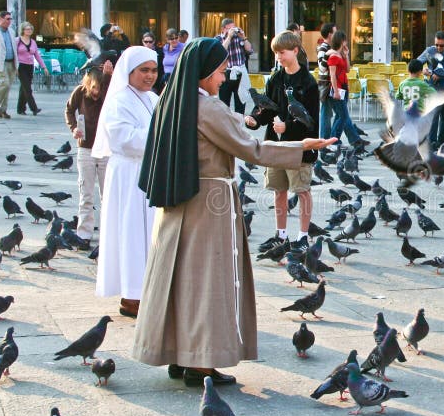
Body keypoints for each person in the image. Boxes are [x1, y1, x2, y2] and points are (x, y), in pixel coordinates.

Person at [133, 37, 334, 387]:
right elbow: (250, 148)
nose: (224, 77)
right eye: (222, 71)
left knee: (180, 279)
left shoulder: (172, 99)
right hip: (209, 201)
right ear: (206, 71)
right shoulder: (207, 108)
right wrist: (301, 149)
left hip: (179, 202)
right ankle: (201, 362)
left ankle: (179, 354)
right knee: (207, 281)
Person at [92, 46, 159, 318]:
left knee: (149, 234)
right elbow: (124, 139)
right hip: (129, 175)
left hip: (148, 172)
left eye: (153, 70)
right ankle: (131, 295)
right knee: (131, 234)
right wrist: (161, 135)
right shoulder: (119, 100)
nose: (150, 76)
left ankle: (147, 290)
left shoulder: (153, 98)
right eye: (144, 70)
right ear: (129, 72)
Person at [245, 30, 318, 243]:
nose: (278, 57)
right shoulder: (275, 78)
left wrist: (288, 128)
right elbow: (267, 107)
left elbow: (312, 121)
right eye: (276, 53)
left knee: (302, 191)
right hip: (276, 145)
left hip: (299, 146)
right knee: (279, 191)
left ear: (295, 51)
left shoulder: (308, 82)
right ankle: (281, 234)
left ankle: (304, 235)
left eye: (282, 52)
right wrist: (255, 120)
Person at [65, 56, 114, 243]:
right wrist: (73, 128)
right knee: (86, 193)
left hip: (105, 148)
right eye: (93, 88)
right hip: (85, 148)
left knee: (107, 194)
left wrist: (108, 77)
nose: (96, 92)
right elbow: (69, 110)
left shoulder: (106, 92)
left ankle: (107, 234)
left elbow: (111, 97)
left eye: (99, 88)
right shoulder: (80, 92)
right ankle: (84, 234)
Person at [418, 31, 444, 148]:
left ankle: (442, 142)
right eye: (436, 45)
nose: (438, 47)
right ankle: (432, 142)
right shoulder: (430, 50)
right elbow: (416, 63)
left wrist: (442, 73)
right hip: (433, 87)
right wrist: (423, 70)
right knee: (433, 116)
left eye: (441, 45)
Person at [327, 30, 363, 146]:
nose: (346, 42)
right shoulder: (333, 56)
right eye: (345, 40)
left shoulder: (340, 55)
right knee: (342, 115)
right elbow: (332, 75)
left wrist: (346, 55)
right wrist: (336, 90)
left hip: (344, 86)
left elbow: (348, 69)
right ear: (341, 41)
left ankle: (334, 139)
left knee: (340, 115)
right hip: (338, 87)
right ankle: (334, 139)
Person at [216, 17, 252, 113]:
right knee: (224, 104)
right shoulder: (218, 39)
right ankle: (225, 125)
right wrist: (229, 37)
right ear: (223, 29)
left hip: (240, 73)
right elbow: (221, 51)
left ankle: (239, 125)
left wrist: (243, 37)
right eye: (230, 28)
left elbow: (249, 50)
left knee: (241, 101)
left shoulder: (239, 38)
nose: (233, 31)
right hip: (225, 73)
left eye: (234, 28)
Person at [15, 22, 48, 116]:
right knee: (28, 89)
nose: (29, 31)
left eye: (30, 29)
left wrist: (44, 67)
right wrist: (15, 66)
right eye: (27, 29)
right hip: (21, 66)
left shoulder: (33, 42)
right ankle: (34, 108)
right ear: (23, 30)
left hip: (30, 66)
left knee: (24, 88)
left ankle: (20, 109)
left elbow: (37, 55)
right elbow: (14, 54)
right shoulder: (17, 40)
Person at [317, 22, 337, 138]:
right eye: (335, 32)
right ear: (330, 34)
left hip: (329, 84)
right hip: (326, 84)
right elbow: (322, 67)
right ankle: (325, 138)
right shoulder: (323, 48)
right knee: (327, 113)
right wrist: (328, 55)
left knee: (333, 113)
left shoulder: (329, 47)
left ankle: (327, 138)